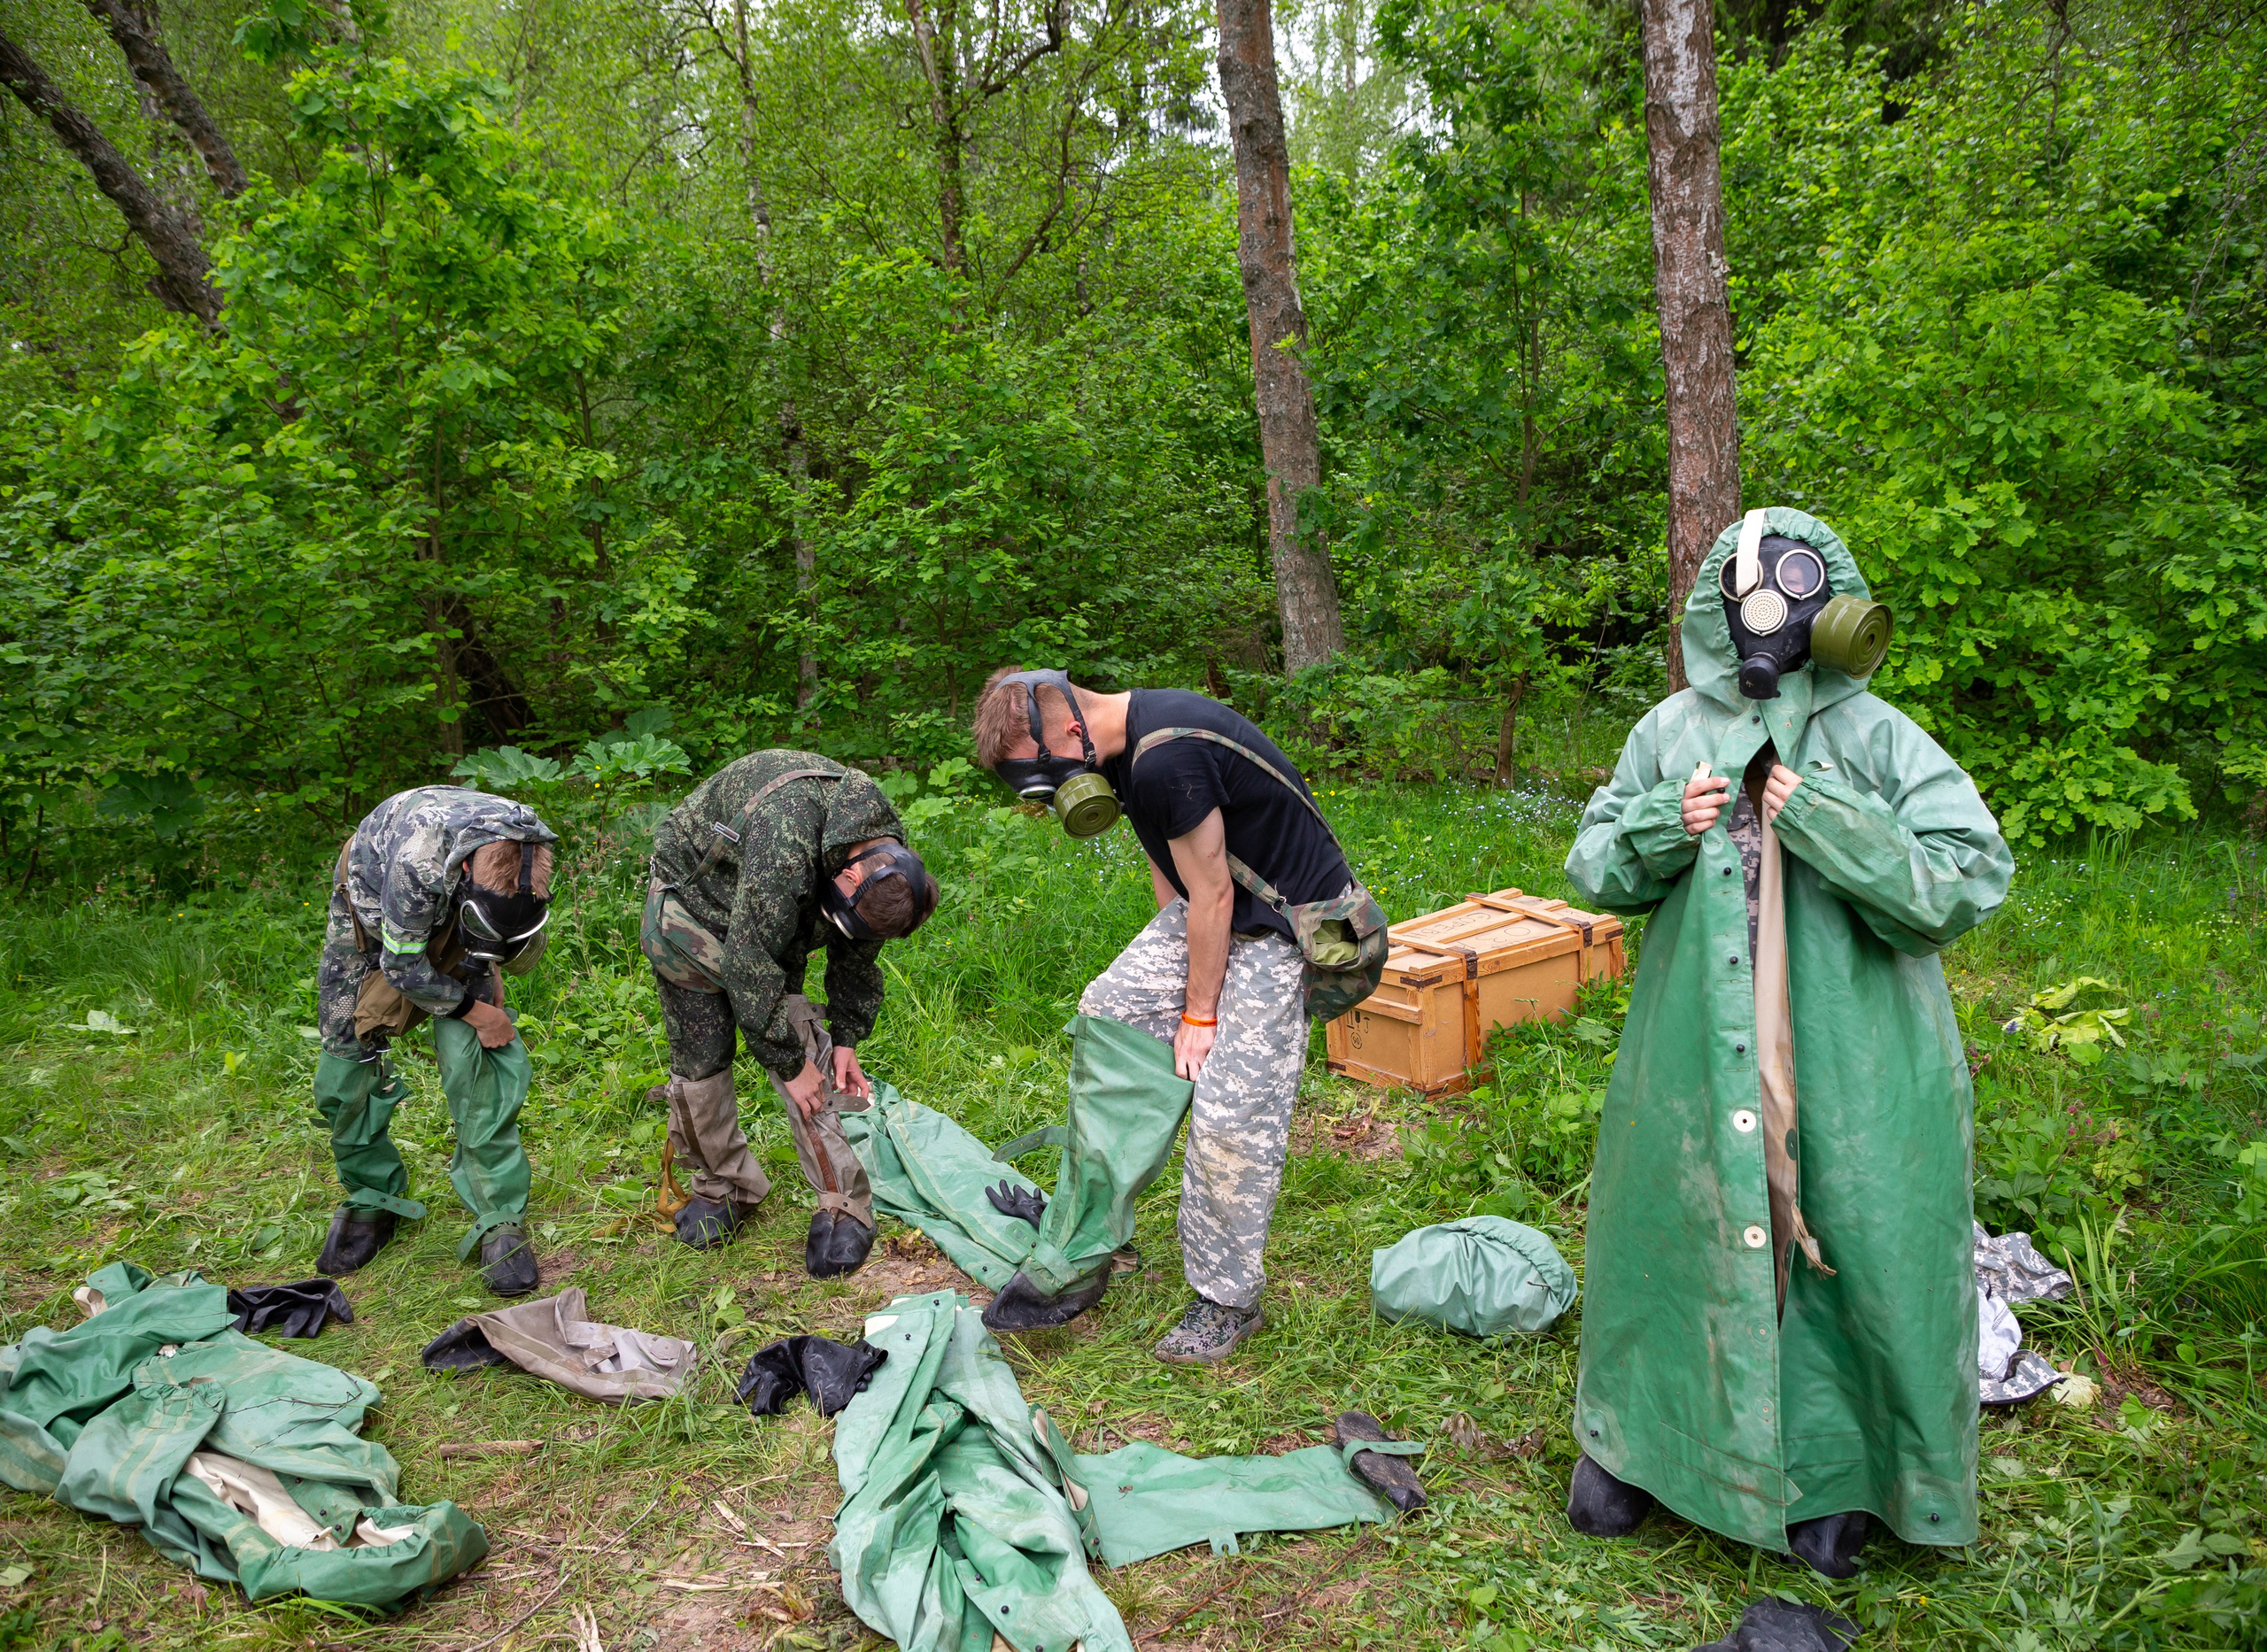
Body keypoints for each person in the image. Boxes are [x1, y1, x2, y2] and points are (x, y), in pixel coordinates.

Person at [1562, 507, 2012, 1578]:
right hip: (1693, 1045)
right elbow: (1592, 868)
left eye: (1793, 584)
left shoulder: (1879, 737)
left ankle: (1838, 1468)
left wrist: (1822, 815)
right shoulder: (1667, 730)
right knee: (1681, 1220)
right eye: (1745, 586)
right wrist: (1659, 822)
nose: (1767, 609)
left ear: (1834, 605)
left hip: (1850, 1055)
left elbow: (1965, 877)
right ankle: (1647, 1442)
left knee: (1848, 1227)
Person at [971, 668, 1378, 1365]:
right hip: (1217, 911)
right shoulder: (1117, 752)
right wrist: (1175, 967)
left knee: (1230, 1112)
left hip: (1287, 929)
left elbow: (1215, 894)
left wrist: (1198, 1014)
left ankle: (1227, 1301)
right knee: (1113, 1014)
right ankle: (1093, 1234)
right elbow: (1179, 878)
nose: (1046, 792)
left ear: (1070, 729)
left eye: (1042, 772)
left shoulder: (1166, 757)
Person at [640, 750, 937, 1276]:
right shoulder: (786, 838)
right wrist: (790, 1066)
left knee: (804, 1037)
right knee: (703, 1054)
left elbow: (857, 953)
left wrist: (846, 1038)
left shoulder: (884, 864)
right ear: (849, 876)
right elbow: (750, 964)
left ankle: (843, 1204)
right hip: (694, 903)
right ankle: (722, 1187)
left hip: (773, 901)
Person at [313, 786, 560, 1297]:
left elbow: (508, 914)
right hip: (376, 897)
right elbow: (401, 967)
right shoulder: (417, 865)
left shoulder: (531, 850)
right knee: (347, 1047)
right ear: (466, 869)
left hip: (465, 900)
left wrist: (486, 971)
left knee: (478, 1059)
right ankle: (371, 1196)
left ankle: (499, 1216)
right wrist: (479, 1013)